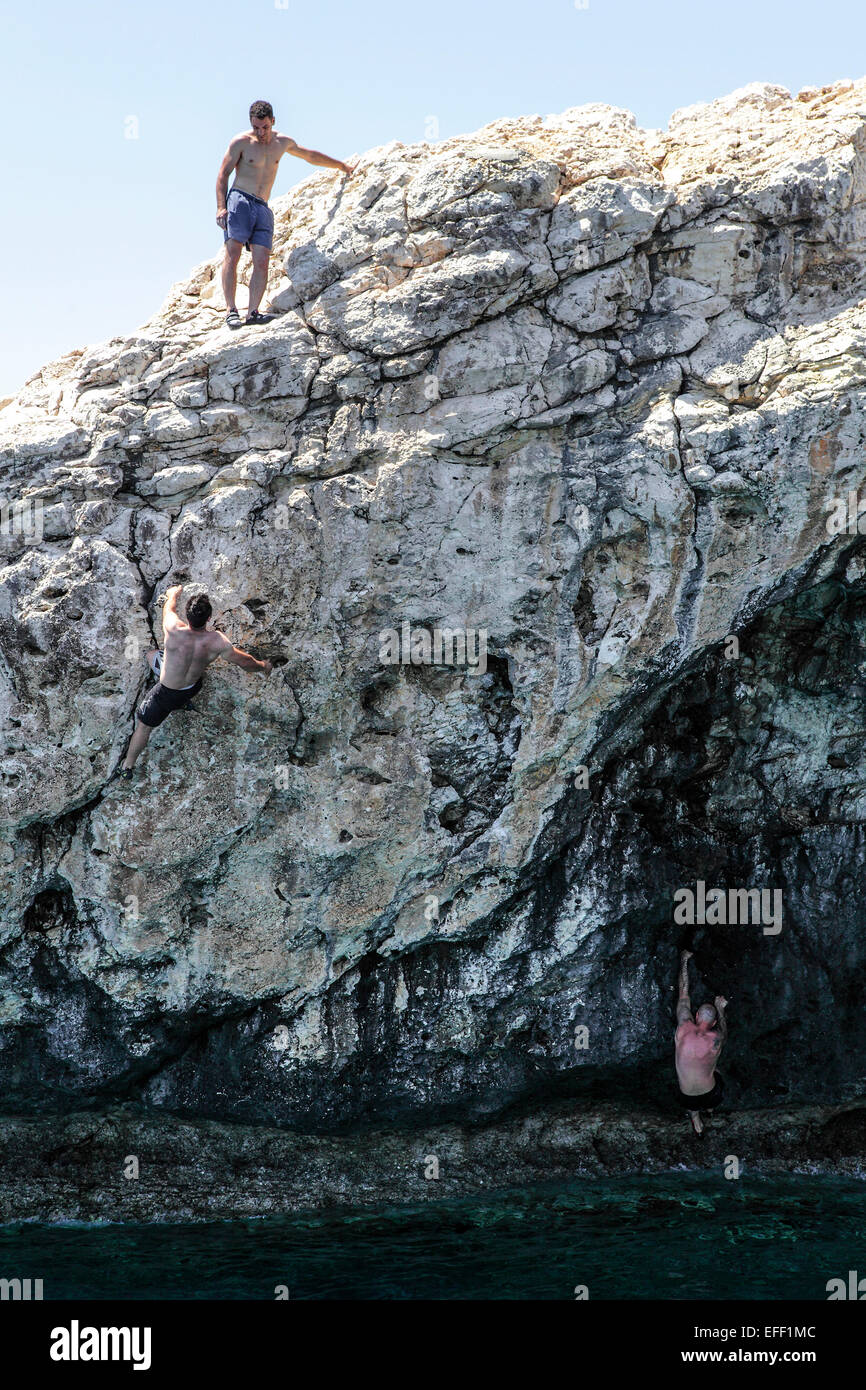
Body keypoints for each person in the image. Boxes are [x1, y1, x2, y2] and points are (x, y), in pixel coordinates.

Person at [216, 99, 357, 329]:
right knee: (233, 253)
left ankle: (253, 313)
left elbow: (310, 156)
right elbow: (223, 175)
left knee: (261, 261)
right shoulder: (241, 142)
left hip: (262, 206)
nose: (261, 132)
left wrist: (341, 166)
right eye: (256, 127)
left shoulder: (282, 143)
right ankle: (231, 310)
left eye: (265, 127)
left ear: (273, 121)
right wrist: (221, 207)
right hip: (240, 199)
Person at [118, 586, 272, 777]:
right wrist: (263, 666)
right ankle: (181, 703)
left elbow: (169, 607)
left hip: (165, 693)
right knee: (172, 666)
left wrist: (174, 592)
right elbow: (246, 663)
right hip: (191, 688)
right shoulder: (218, 642)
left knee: (144, 724)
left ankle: (127, 766)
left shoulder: (173, 628)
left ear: (187, 616)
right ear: (209, 618)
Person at [674, 949, 728, 1134]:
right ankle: (711, 1109)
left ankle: (695, 1119)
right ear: (713, 1023)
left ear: (696, 1015)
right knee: (716, 1069)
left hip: (686, 1097)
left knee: (689, 1085)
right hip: (711, 1095)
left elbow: (683, 993)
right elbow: (724, 1031)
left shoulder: (683, 1028)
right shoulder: (716, 1039)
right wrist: (720, 1008)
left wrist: (684, 961)